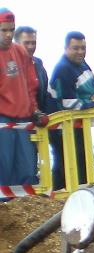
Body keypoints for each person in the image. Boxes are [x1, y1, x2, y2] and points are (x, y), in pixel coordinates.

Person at [49, 31, 94, 190]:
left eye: (83, 48)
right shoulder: (63, 69)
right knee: (65, 163)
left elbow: (93, 84)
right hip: (61, 127)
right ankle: (59, 199)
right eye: (76, 48)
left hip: (79, 123)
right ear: (66, 48)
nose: (80, 52)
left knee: (82, 161)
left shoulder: (83, 64)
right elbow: (67, 102)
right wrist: (92, 104)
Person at [0, 8, 43, 186]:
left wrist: (35, 110)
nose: (9, 34)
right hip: (2, 121)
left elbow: (30, 86)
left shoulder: (21, 52)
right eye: (4, 30)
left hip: (23, 120)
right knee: (4, 170)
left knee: (27, 171)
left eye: (12, 30)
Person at [13, 25, 51, 114]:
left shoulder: (38, 64)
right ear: (16, 44)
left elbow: (45, 94)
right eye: (26, 43)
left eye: (33, 43)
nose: (31, 47)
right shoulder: (9, 65)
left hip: (37, 119)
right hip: (14, 119)